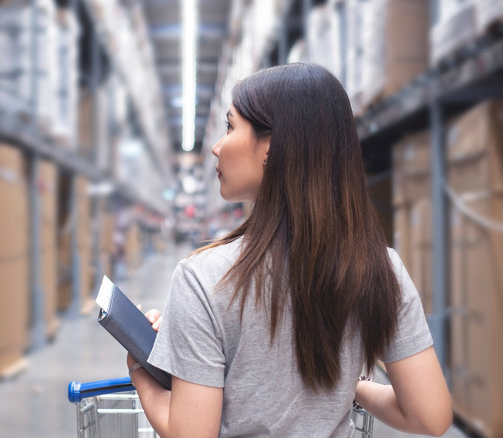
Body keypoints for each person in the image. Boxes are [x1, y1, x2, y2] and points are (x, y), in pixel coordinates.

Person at [125, 63, 453, 438]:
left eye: (230, 127)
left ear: (271, 147)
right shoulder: (380, 267)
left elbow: (190, 433)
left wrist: (140, 370)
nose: (217, 146)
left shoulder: (203, 278)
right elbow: (431, 416)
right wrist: (347, 385)